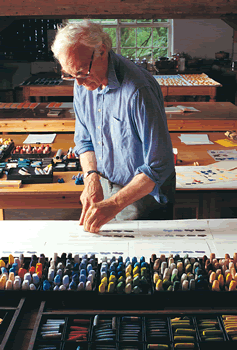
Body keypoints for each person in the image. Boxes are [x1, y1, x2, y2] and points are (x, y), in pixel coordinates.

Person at [51, 20, 176, 233]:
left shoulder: (138, 90)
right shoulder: (81, 80)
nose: (78, 83)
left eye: (81, 72)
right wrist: (91, 177)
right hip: (106, 185)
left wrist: (114, 204)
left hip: (141, 195)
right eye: (70, 75)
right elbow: (84, 141)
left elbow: (159, 166)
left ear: (101, 50)